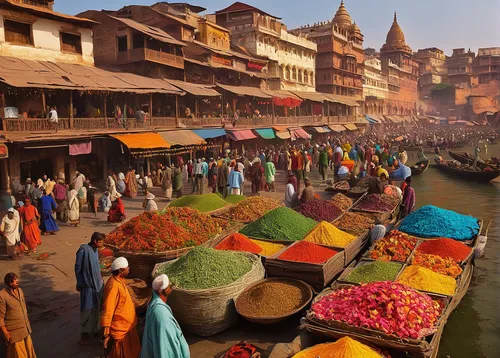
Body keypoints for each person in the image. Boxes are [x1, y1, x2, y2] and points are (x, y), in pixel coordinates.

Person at [141, 274, 190, 358]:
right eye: (167, 286)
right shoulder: (162, 315)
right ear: (160, 291)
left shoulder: (154, 302)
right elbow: (167, 346)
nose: (170, 287)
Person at [101, 258, 141, 358]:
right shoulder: (113, 286)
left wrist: (133, 281)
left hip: (128, 326)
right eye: (127, 268)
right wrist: (106, 333)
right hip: (120, 328)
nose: (129, 269)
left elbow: (123, 282)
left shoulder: (118, 279)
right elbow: (108, 309)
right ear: (120, 271)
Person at [75, 233, 105, 345]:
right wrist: (80, 283)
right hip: (87, 286)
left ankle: (95, 330)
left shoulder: (95, 251)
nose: (102, 244)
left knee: (97, 308)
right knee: (87, 310)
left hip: (97, 285)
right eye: (101, 242)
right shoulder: (83, 250)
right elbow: (78, 268)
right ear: (95, 241)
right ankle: (84, 335)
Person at [0, 273, 37, 358]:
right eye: (14, 280)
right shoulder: (2, 295)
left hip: (25, 329)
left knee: (29, 354)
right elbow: (0, 317)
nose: (17, 281)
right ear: (9, 282)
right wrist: (5, 333)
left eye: (17, 279)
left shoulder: (20, 291)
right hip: (14, 333)